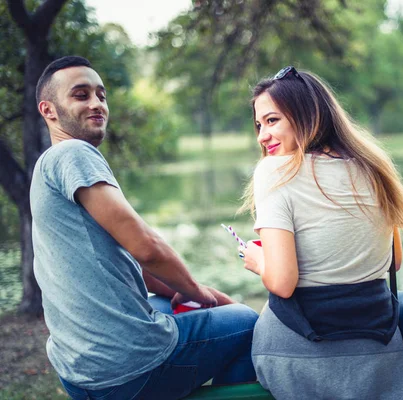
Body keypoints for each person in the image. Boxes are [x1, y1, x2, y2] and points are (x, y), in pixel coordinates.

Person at [31, 55, 258, 400]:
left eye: (101, 95)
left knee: (172, 307)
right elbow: (146, 247)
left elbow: (126, 257)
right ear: (48, 110)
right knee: (246, 322)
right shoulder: (72, 154)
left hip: (77, 369)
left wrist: (176, 291)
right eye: (81, 95)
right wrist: (200, 294)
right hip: (124, 370)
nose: (97, 104)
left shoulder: (47, 167)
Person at [238, 66, 403, 399]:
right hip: (378, 347)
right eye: (259, 125)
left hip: (296, 350)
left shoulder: (274, 171)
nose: (262, 136)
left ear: (307, 115)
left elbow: (282, 281)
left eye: (272, 120)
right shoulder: (374, 164)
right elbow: (395, 261)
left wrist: (257, 259)